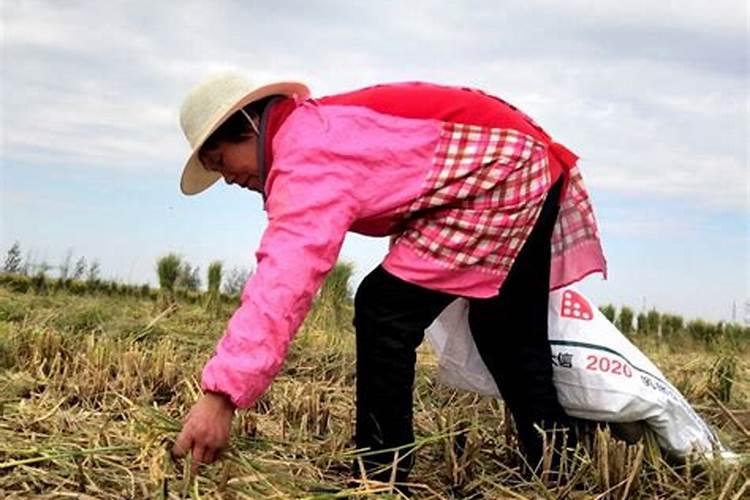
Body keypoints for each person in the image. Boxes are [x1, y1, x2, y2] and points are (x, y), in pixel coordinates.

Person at [171, 71, 607, 490]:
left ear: (248, 127)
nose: (226, 179)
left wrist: (220, 397)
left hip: (505, 172)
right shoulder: (318, 128)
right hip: (525, 159)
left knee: (385, 309)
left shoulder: (305, 155)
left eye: (220, 161)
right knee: (505, 332)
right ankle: (556, 464)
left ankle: (382, 475)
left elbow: (282, 283)